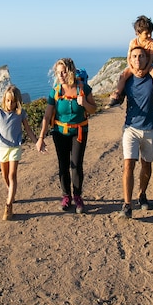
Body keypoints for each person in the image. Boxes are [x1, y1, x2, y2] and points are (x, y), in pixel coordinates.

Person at [119, 46, 153, 219]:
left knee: (146, 165)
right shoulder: (127, 77)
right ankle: (127, 205)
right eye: (134, 56)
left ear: (147, 58)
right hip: (131, 128)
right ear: (130, 58)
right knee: (129, 164)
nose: (137, 59)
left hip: (151, 128)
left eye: (141, 56)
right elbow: (120, 96)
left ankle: (142, 195)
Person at [36, 58, 96, 214]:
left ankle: (77, 196)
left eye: (63, 71)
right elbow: (47, 115)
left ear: (70, 71)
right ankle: (66, 196)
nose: (61, 75)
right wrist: (41, 138)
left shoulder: (84, 88)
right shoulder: (55, 91)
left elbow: (93, 110)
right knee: (63, 164)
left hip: (79, 132)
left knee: (76, 164)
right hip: (59, 133)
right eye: (58, 72)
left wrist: (84, 104)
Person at [0, 85, 44, 221]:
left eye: (12, 101)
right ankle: (11, 192)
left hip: (15, 148)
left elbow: (28, 130)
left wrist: (36, 142)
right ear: (4, 100)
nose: (10, 104)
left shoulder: (20, 114)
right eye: (7, 101)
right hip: (2, 148)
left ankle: (9, 205)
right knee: (4, 176)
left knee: (12, 175)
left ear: (17, 101)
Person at [107, 15, 153, 109]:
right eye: (147, 33)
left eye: (150, 33)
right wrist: (133, 70)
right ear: (138, 33)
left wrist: (146, 70)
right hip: (134, 65)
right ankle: (117, 95)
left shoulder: (152, 42)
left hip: (147, 64)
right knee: (123, 76)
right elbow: (129, 58)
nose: (149, 35)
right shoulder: (133, 42)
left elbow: (151, 59)